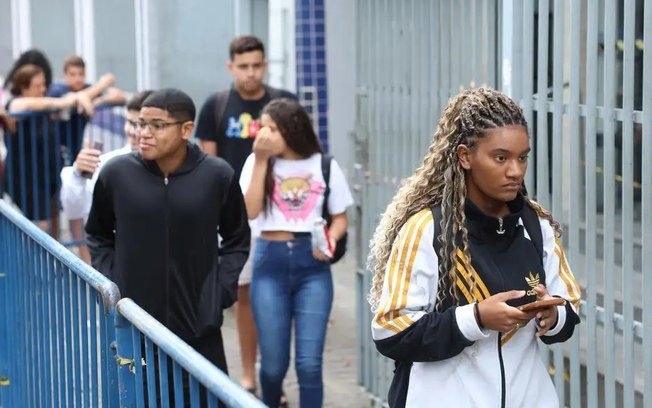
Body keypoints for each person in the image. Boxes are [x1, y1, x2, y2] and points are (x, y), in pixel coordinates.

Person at [367, 88, 582, 407]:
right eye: (501, 158)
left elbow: (569, 307)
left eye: (522, 157)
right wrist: (476, 318)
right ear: (465, 156)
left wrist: (553, 314)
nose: (515, 171)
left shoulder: (536, 226)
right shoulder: (427, 228)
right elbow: (390, 331)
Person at [86, 88, 250, 376]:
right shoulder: (116, 173)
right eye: (141, 124)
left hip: (200, 330)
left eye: (157, 125)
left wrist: (219, 294)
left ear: (186, 130)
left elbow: (237, 239)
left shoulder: (217, 175)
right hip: (134, 328)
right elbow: (98, 235)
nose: (144, 133)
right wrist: (116, 284)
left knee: (203, 394)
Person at [195, 34, 295, 396]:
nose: (250, 73)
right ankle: (249, 375)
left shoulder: (283, 104)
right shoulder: (217, 105)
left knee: (278, 298)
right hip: (234, 215)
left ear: (265, 65)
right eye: (243, 66)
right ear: (231, 67)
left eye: (256, 65)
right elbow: (207, 163)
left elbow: (301, 154)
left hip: (281, 213)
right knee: (245, 298)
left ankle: (273, 377)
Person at [240, 98, 354, 407]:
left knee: (309, 365)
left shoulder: (324, 164)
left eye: (272, 129)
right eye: (262, 128)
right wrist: (261, 160)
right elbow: (249, 211)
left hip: (313, 267)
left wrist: (331, 239)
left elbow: (340, 217)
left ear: (291, 130)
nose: (264, 135)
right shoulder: (256, 162)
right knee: (273, 365)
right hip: (269, 263)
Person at [59, 90, 152, 261]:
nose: (133, 131)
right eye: (130, 122)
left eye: (141, 124)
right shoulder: (107, 163)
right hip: (118, 265)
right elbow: (74, 209)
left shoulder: (175, 167)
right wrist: (78, 175)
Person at [5, 64, 88, 236]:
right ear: (24, 87)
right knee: (40, 228)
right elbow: (27, 105)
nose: (43, 89)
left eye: (44, 84)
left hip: (47, 176)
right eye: (37, 86)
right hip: (25, 177)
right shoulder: (16, 104)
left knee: (53, 223)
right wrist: (70, 99)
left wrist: (77, 98)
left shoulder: (43, 106)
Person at [49, 55, 126, 158]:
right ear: (65, 75)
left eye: (81, 74)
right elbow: (70, 100)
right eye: (72, 74)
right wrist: (101, 85)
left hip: (77, 144)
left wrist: (97, 101)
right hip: (56, 145)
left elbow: (120, 97)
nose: (77, 79)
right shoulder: (57, 89)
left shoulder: (88, 88)